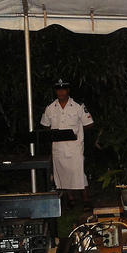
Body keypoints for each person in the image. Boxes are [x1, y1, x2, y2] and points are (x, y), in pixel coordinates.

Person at [40, 79, 94, 210]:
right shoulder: (50, 107)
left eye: (63, 89)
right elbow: (45, 125)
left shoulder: (77, 106)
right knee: (64, 174)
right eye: (59, 89)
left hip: (75, 147)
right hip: (58, 147)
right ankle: (71, 200)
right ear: (56, 91)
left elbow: (89, 123)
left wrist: (76, 132)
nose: (61, 92)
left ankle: (86, 201)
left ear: (68, 90)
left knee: (79, 173)